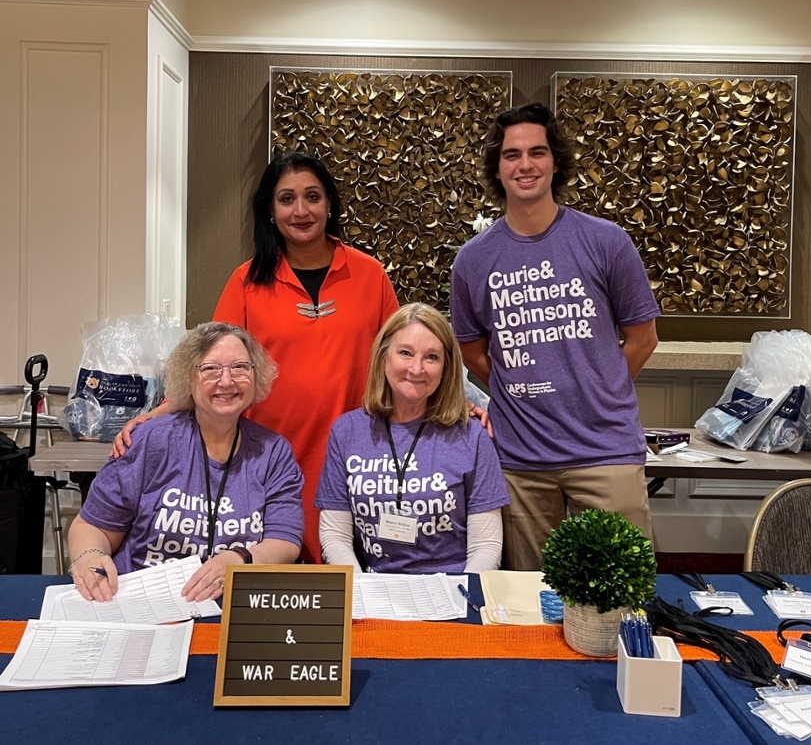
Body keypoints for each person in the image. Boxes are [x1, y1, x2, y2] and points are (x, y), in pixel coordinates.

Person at [113, 152, 399, 563]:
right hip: (263, 459)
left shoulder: (369, 274)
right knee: (271, 576)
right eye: (286, 199)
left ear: (330, 204)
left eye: (312, 197)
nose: (300, 210)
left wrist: (459, 403)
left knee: (343, 582)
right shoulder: (246, 281)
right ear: (269, 209)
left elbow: (401, 360)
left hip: (351, 456)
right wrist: (155, 415)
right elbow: (211, 366)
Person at [450, 102, 660, 571]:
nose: (525, 164)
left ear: (556, 161)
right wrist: (520, 388)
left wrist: (599, 383)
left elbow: (643, 338)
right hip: (520, 457)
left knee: (621, 590)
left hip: (605, 450)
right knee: (531, 601)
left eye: (537, 152)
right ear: (497, 168)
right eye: (512, 155)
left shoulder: (606, 241)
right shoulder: (473, 260)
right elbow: (473, 352)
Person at [68, 322, 304, 602]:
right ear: (188, 379)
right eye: (210, 369)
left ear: (256, 376)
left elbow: (285, 540)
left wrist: (240, 559)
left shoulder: (273, 452)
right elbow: (92, 526)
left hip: (231, 601)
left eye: (240, 367)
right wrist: (88, 557)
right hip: (142, 600)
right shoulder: (151, 441)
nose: (226, 381)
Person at [314, 303, 509, 573]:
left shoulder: (471, 435)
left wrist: (464, 598)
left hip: (452, 590)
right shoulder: (347, 432)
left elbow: (485, 546)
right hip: (373, 590)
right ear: (384, 357)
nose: (416, 369)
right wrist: (362, 592)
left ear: (446, 367)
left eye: (431, 357)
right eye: (405, 353)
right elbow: (335, 537)